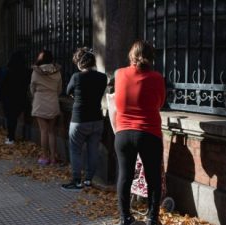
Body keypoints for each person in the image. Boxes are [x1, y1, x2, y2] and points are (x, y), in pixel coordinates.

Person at [114, 40, 166, 225]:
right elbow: (159, 103)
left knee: (125, 176)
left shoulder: (119, 74)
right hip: (149, 132)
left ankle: (125, 218)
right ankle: (152, 218)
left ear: (131, 55)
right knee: (153, 177)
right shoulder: (157, 78)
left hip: (123, 133)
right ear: (151, 57)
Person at [61, 47, 107, 190]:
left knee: (75, 150)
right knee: (93, 150)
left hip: (79, 119)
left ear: (80, 63)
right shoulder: (102, 77)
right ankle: (88, 179)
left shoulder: (76, 77)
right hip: (97, 119)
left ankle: (76, 181)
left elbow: (68, 91)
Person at [30, 50, 62, 165]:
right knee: (51, 131)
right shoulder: (57, 72)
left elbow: (32, 89)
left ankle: (44, 156)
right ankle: (53, 157)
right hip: (53, 101)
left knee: (43, 131)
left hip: (40, 102)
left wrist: (37, 95)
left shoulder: (36, 72)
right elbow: (59, 90)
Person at [1, 51, 31, 145]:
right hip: (20, 97)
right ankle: (12, 136)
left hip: (9, 98)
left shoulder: (8, 71)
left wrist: (1, 97)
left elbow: (2, 86)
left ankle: (10, 137)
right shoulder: (26, 72)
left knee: (10, 118)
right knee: (15, 117)